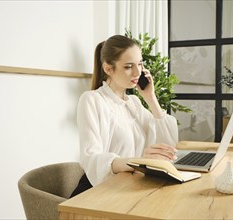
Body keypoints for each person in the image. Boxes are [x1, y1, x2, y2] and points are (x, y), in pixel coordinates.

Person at [70, 35, 178, 197]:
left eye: (140, 64)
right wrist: (139, 162)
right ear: (108, 69)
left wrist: (150, 97)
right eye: (128, 66)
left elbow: (169, 143)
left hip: (131, 186)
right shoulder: (92, 100)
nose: (137, 72)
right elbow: (91, 158)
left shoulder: (133, 102)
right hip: (98, 190)